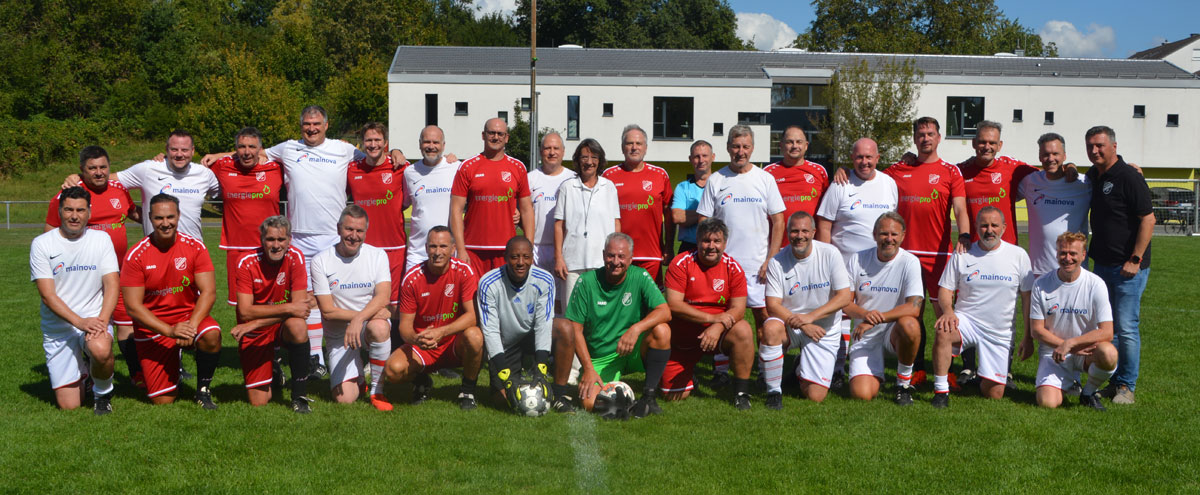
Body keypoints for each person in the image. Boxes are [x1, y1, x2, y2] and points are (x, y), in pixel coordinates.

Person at [203, 105, 377, 380]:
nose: (311, 128)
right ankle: (314, 358)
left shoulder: (343, 150)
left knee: (337, 296)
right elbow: (253, 152)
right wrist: (217, 156)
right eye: (307, 124)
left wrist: (397, 153)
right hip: (299, 237)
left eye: (316, 124)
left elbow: (372, 154)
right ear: (301, 126)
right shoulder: (288, 148)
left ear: (326, 125)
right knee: (305, 298)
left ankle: (362, 350)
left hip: (334, 236)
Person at [838, 117, 971, 384]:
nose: (925, 139)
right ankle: (917, 368)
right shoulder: (898, 170)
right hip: (907, 254)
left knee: (946, 311)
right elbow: (867, 170)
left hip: (940, 255)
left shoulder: (950, 171)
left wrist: (964, 235)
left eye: (930, 133)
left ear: (939, 137)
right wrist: (842, 169)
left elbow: (959, 208)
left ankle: (953, 370)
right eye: (920, 134)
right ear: (915, 138)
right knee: (913, 313)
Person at [46, 146, 141, 388]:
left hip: (119, 273)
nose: (99, 173)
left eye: (103, 167)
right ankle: (87, 370)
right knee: (90, 323)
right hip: (85, 277)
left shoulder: (119, 190)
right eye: (92, 168)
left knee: (126, 322)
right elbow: (50, 236)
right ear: (81, 170)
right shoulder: (68, 195)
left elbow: (133, 213)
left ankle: (135, 373)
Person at [121, 194, 222, 408]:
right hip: (154, 328)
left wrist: (191, 327)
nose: (165, 223)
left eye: (170, 217)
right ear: (149, 218)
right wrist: (169, 331)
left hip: (188, 318)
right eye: (158, 218)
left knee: (212, 334)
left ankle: (203, 391)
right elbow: (133, 307)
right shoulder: (136, 256)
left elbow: (209, 292)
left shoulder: (195, 247)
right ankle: (171, 363)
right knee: (163, 401)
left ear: (178, 216)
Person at [931, 207, 1033, 408]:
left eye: (994, 225)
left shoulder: (1018, 255)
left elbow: (1028, 298)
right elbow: (945, 289)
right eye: (984, 225)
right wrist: (949, 312)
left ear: (1003, 228)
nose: (989, 230)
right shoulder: (963, 253)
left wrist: (1027, 336)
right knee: (944, 330)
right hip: (967, 321)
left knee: (994, 393)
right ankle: (941, 391)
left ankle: (983, 376)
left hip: (999, 331)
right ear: (976, 227)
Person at [816, 138, 898, 387]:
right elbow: (824, 223)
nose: (864, 162)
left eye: (869, 157)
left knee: (871, 314)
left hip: (878, 266)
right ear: (852, 158)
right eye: (859, 157)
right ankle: (838, 368)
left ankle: (867, 365)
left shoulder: (888, 184)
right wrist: (827, 260)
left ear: (878, 157)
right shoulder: (841, 184)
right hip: (844, 264)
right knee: (842, 315)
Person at [31, 186, 120, 414]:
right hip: (59, 329)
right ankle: (84, 372)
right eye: (68, 209)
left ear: (89, 212)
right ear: (60, 211)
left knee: (100, 349)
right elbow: (47, 295)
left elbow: (112, 283)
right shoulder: (42, 244)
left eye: (80, 210)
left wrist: (101, 320)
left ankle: (102, 394)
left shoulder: (101, 239)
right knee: (70, 406)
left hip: (94, 318)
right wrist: (80, 322)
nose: (74, 215)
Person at [1084, 125, 1154, 405]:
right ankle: (1110, 380)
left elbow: (1148, 219)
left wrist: (1135, 259)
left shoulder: (1128, 177)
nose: (1095, 150)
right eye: (1090, 146)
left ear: (1114, 146)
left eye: (1100, 145)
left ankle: (1126, 385)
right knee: (1107, 329)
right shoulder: (1094, 175)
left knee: (1126, 328)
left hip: (1128, 268)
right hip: (1101, 264)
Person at [566, 233, 672, 418]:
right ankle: (629, 405)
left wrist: (635, 329)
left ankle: (648, 396)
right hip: (601, 357)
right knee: (589, 402)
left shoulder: (640, 276)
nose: (616, 261)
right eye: (611, 255)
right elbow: (575, 329)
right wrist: (589, 369)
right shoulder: (586, 282)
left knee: (662, 331)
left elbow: (665, 311)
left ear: (630, 259)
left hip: (632, 349)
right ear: (603, 255)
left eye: (621, 256)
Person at [696, 125, 786, 333]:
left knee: (764, 317)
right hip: (723, 264)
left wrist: (770, 259)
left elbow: (779, 221)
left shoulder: (765, 179)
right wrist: (711, 257)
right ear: (728, 148)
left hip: (758, 266)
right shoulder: (716, 180)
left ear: (752, 148)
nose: (740, 152)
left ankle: (765, 364)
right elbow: (704, 221)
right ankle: (721, 365)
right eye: (736, 146)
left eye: (745, 146)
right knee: (722, 316)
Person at [758, 211, 852, 407]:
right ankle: (774, 393)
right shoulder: (777, 261)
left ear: (814, 232)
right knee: (770, 328)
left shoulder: (830, 253)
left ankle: (800, 367)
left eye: (804, 231)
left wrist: (810, 318)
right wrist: (803, 323)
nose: (799, 236)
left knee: (815, 396)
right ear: (788, 233)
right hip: (791, 324)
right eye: (794, 231)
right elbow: (772, 305)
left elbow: (844, 296)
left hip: (824, 329)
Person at [385, 226, 485, 410]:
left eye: (443, 246)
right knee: (392, 371)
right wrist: (417, 339)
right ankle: (422, 381)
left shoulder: (464, 271)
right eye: (433, 247)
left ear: (453, 248)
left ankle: (467, 391)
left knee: (475, 336)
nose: (437, 252)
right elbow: (404, 327)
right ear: (426, 248)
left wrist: (442, 332)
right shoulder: (412, 279)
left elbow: (472, 317)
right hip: (424, 344)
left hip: (454, 341)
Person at [662, 218, 756, 409]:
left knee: (744, 330)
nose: (711, 246)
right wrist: (712, 318)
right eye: (706, 241)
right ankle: (688, 376)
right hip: (682, 339)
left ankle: (741, 394)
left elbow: (738, 309)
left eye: (717, 241)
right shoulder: (681, 263)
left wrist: (717, 326)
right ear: (697, 242)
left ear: (725, 243)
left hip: (717, 334)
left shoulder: (733, 268)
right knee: (674, 397)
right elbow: (673, 305)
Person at [308, 206, 393, 410]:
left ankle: (377, 391)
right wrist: (360, 317)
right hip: (339, 334)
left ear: (365, 232)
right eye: (349, 229)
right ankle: (360, 379)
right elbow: (327, 311)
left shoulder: (378, 255)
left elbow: (384, 295)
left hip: (369, 325)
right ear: (339, 229)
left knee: (380, 328)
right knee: (344, 398)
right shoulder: (321, 260)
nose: (354, 236)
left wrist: (359, 319)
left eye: (359, 231)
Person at [553, 139, 621, 389]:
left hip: (601, 264)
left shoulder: (609, 187)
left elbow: (616, 224)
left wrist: (617, 257)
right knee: (572, 321)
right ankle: (571, 370)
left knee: (599, 319)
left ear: (600, 160)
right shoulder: (567, 187)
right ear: (577, 160)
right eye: (583, 157)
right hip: (572, 263)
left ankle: (597, 366)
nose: (588, 162)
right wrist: (559, 257)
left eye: (593, 157)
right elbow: (559, 224)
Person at [230, 216, 313, 413]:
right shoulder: (245, 262)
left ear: (289, 240)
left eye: (281, 240)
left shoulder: (296, 257)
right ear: (261, 240)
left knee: (298, 325)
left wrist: (255, 322)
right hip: (254, 333)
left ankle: (299, 396)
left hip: (271, 326)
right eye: (270, 240)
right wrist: (288, 308)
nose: (276, 245)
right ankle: (274, 370)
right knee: (259, 401)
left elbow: (300, 310)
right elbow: (245, 311)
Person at [1028, 232, 1118, 411]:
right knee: (1047, 403)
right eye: (1063, 253)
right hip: (1054, 352)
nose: (1067, 258)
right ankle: (1068, 383)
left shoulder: (1095, 284)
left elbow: (1107, 331)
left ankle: (1088, 392)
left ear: (1083, 255)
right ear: (1056, 254)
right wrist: (1063, 345)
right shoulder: (1041, 284)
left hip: (1084, 352)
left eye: (1073, 254)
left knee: (1109, 353)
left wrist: (1071, 344)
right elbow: (1036, 330)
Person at [842, 212, 923, 405]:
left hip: (893, 332)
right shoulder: (857, 259)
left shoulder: (910, 262)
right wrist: (865, 315)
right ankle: (875, 373)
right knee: (862, 395)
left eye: (894, 234)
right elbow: (845, 302)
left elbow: (914, 307)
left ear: (903, 236)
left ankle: (903, 385)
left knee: (910, 325)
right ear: (874, 235)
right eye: (883, 234)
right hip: (864, 336)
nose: (889, 239)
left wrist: (874, 319)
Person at [477, 236, 559, 409]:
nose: (521, 262)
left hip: (531, 337)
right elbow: (490, 331)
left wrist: (542, 366)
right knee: (503, 401)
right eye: (515, 257)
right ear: (506, 257)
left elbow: (543, 324)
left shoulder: (545, 280)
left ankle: (560, 393)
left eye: (526, 257)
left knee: (565, 328)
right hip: (506, 344)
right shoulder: (488, 282)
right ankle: (515, 374)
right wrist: (505, 375)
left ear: (532, 258)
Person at [450, 118, 535, 276]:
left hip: (508, 250)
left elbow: (527, 209)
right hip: (473, 249)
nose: (496, 137)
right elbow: (455, 210)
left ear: (507, 137)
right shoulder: (467, 167)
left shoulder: (518, 167)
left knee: (505, 299)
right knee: (473, 298)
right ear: (483, 135)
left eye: (500, 134)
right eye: (491, 133)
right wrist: (461, 250)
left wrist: (528, 247)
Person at [209, 127, 284, 306]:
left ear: (260, 149)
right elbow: (183, 163)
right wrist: (162, 159)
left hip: (270, 245)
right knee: (241, 306)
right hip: (236, 248)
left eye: (252, 146)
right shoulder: (222, 166)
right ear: (236, 149)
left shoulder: (277, 167)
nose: (247, 152)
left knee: (274, 304)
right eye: (241, 147)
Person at [347, 122, 408, 313]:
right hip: (362, 248)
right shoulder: (351, 169)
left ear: (386, 143)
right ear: (362, 143)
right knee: (363, 302)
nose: (373, 144)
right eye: (369, 140)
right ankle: (362, 341)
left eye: (377, 140)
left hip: (394, 247)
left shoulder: (400, 167)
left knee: (394, 304)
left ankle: (394, 343)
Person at [602, 125, 674, 284]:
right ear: (622, 148)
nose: (634, 147)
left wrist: (669, 246)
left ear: (646, 148)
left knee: (649, 304)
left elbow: (669, 215)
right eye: (629, 143)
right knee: (620, 302)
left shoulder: (660, 175)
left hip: (651, 255)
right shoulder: (608, 176)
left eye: (639, 143)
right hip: (618, 255)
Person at [1017, 133, 1091, 278]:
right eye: (1046, 154)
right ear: (1039, 157)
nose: (1051, 159)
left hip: (1075, 268)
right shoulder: (1030, 182)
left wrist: (1132, 170)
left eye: (1055, 154)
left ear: (1064, 156)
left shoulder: (1083, 183)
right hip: (1039, 270)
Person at [957, 121, 1039, 244]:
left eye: (992, 143)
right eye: (982, 142)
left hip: (1007, 249)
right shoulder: (960, 171)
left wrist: (1068, 166)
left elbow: (1047, 175)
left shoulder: (1011, 167)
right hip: (973, 249)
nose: (987, 147)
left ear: (999, 145)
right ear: (974, 143)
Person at [403, 125, 462, 271]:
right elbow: (402, 204)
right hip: (418, 253)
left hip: (448, 252)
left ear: (443, 145)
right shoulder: (409, 172)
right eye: (426, 142)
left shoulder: (457, 168)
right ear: (420, 144)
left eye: (435, 142)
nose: (431, 146)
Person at [528, 132, 576, 275]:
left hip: (565, 249)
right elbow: (522, 213)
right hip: (536, 249)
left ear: (563, 151)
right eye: (548, 148)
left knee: (561, 296)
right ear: (541, 151)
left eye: (556, 148)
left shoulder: (573, 178)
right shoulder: (530, 178)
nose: (552, 152)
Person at [764, 126, 829, 220]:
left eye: (799, 142)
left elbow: (829, 206)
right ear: (781, 145)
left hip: (811, 234)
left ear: (806, 145)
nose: (794, 146)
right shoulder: (768, 172)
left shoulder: (819, 171)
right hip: (778, 234)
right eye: (789, 142)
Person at [671, 140, 715, 254]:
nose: (701, 160)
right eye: (697, 156)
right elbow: (678, 217)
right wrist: (709, 212)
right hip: (688, 247)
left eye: (705, 156)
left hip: (714, 247)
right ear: (690, 159)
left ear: (713, 157)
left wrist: (691, 214)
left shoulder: (722, 185)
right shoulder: (683, 187)